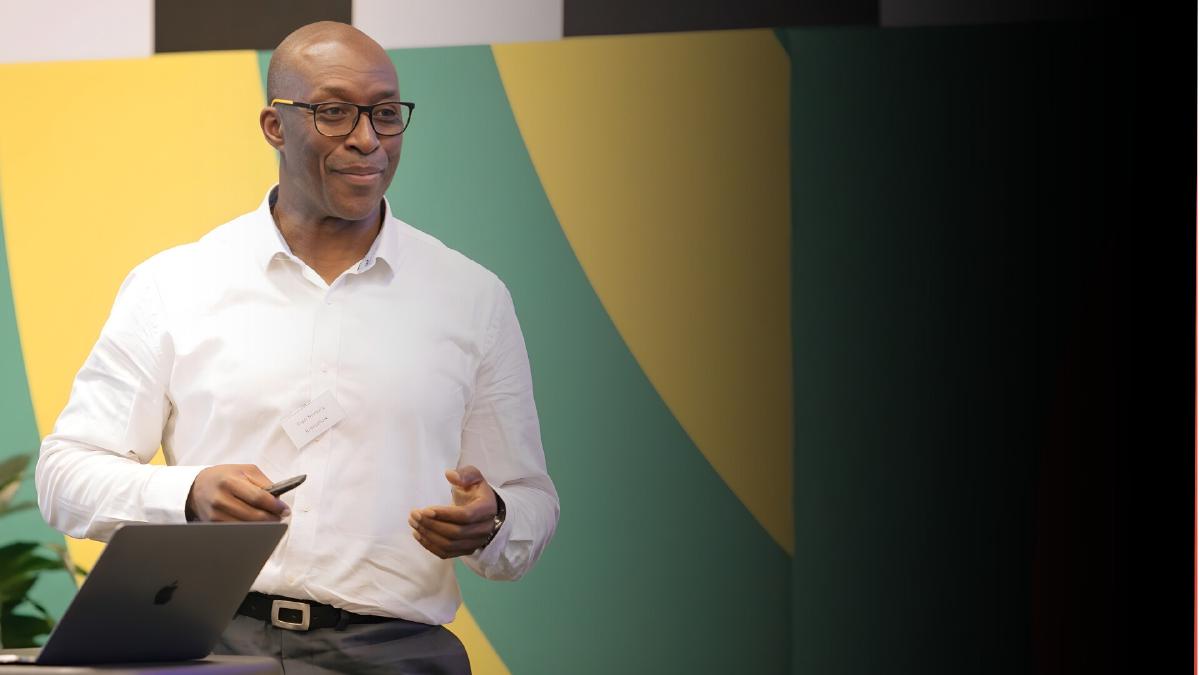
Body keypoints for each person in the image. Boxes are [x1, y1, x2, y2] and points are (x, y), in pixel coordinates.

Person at [35, 21, 558, 674]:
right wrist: (189, 493)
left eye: (386, 114)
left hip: (397, 653)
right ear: (274, 126)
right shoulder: (174, 283)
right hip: (203, 643)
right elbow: (63, 476)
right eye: (334, 112)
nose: (367, 139)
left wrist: (495, 519)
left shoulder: (472, 298)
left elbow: (528, 504)